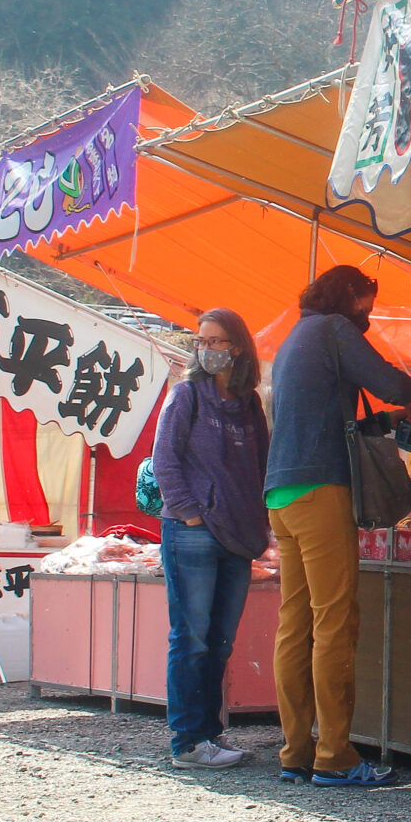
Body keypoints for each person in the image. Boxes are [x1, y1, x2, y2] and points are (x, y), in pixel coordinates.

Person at [263, 266, 411, 789]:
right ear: (352, 296)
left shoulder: (294, 338)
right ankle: (334, 756)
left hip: (281, 494)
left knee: (296, 624)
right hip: (320, 490)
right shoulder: (334, 330)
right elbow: (393, 383)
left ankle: (295, 752)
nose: (369, 313)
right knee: (334, 623)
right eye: (367, 301)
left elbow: (332, 418)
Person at [152, 308, 271, 771]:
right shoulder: (186, 396)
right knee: (192, 637)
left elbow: (262, 466)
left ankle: (209, 734)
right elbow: (165, 460)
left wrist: (261, 525)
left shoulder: (249, 405)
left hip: (239, 539)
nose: (207, 349)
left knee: (220, 640)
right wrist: (189, 513)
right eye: (201, 340)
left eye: (217, 341)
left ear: (237, 347)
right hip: (192, 534)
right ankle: (187, 740)